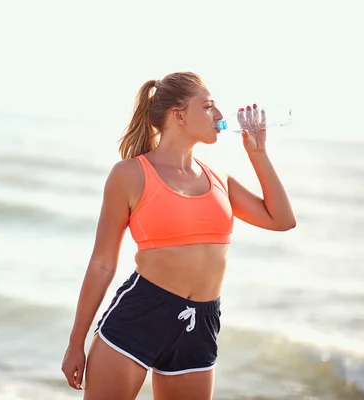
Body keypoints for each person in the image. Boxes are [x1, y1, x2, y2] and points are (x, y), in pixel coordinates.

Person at [61, 72, 296, 400]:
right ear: (179, 115)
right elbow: (102, 264)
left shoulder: (219, 178)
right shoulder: (130, 174)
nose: (218, 115)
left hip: (201, 324)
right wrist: (76, 343)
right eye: (208, 107)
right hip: (139, 316)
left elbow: (282, 220)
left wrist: (258, 154)